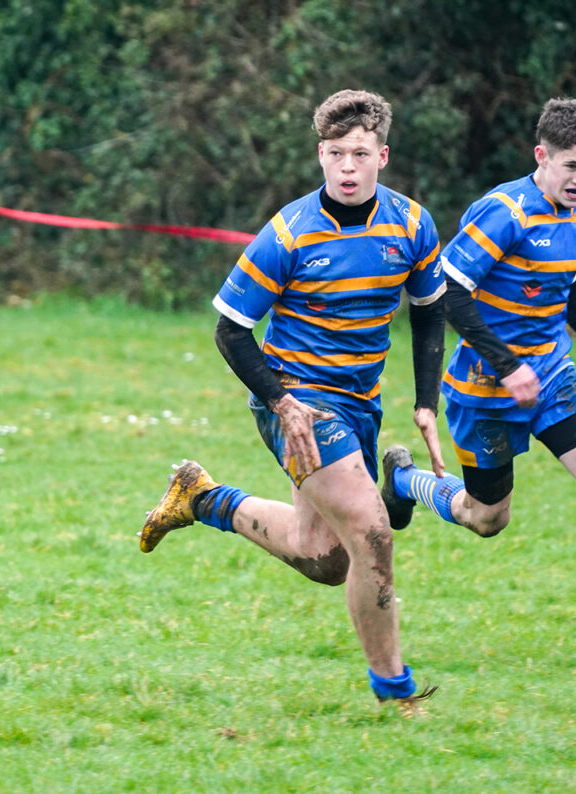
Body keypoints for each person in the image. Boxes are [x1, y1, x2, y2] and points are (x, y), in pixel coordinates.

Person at [139, 89, 446, 708]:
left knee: (326, 558)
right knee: (372, 531)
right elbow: (230, 330)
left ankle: (203, 498)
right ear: (320, 155)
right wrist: (283, 403)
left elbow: (430, 311)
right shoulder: (288, 233)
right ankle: (396, 692)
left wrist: (425, 403)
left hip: (360, 403)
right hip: (297, 402)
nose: (347, 167)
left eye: (360, 154)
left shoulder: (412, 225)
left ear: (383, 155)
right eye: (335, 154)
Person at [378, 97, 576, 662]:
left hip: (552, 373)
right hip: (484, 387)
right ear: (541, 156)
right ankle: (404, 481)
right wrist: (507, 365)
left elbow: (565, 287)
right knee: (485, 517)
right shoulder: (505, 213)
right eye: (571, 166)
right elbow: (450, 294)